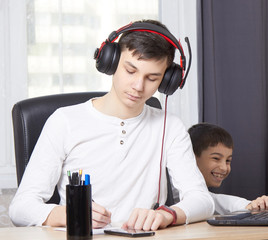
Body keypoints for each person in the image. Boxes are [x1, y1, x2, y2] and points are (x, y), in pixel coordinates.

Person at [9, 19, 214, 231]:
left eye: (152, 78)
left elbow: (202, 200)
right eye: (130, 70)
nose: (138, 86)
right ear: (111, 61)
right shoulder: (64, 121)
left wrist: (166, 215)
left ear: (166, 81)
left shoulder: (170, 127)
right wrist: (69, 213)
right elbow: (20, 208)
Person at [188, 122, 268, 214]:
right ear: (192, 158)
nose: (224, 168)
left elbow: (215, 201)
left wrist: (253, 205)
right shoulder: (176, 194)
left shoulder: (202, 195)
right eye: (216, 158)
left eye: (228, 161)